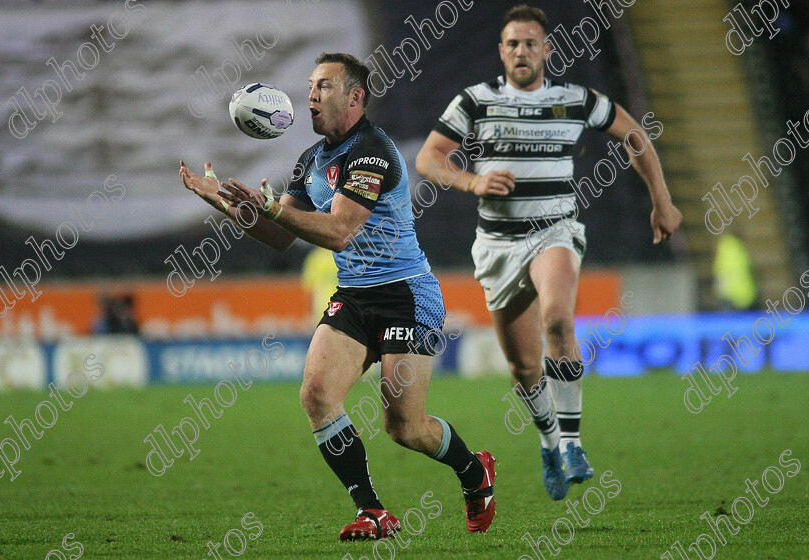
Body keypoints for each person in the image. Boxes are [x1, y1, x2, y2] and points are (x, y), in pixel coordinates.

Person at [179, 53, 496, 538]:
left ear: (355, 97)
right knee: (316, 394)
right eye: (310, 85)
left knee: (405, 428)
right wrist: (225, 204)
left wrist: (272, 210)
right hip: (354, 295)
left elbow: (340, 231)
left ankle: (475, 472)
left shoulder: (372, 151)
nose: (310, 95)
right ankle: (372, 512)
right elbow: (281, 235)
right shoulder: (311, 160)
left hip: (405, 295)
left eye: (324, 86)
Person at [415, 5, 682, 501]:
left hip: (554, 231)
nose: (521, 51)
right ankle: (549, 442)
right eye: (512, 44)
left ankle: (574, 444)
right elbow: (428, 157)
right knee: (523, 367)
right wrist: (472, 180)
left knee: (558, 321)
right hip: (497, 245)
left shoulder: (575, 100)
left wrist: (662, 201)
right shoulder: (475, 101)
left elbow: (636, 137)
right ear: (501, 51)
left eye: (530, 43)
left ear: (546, 50)